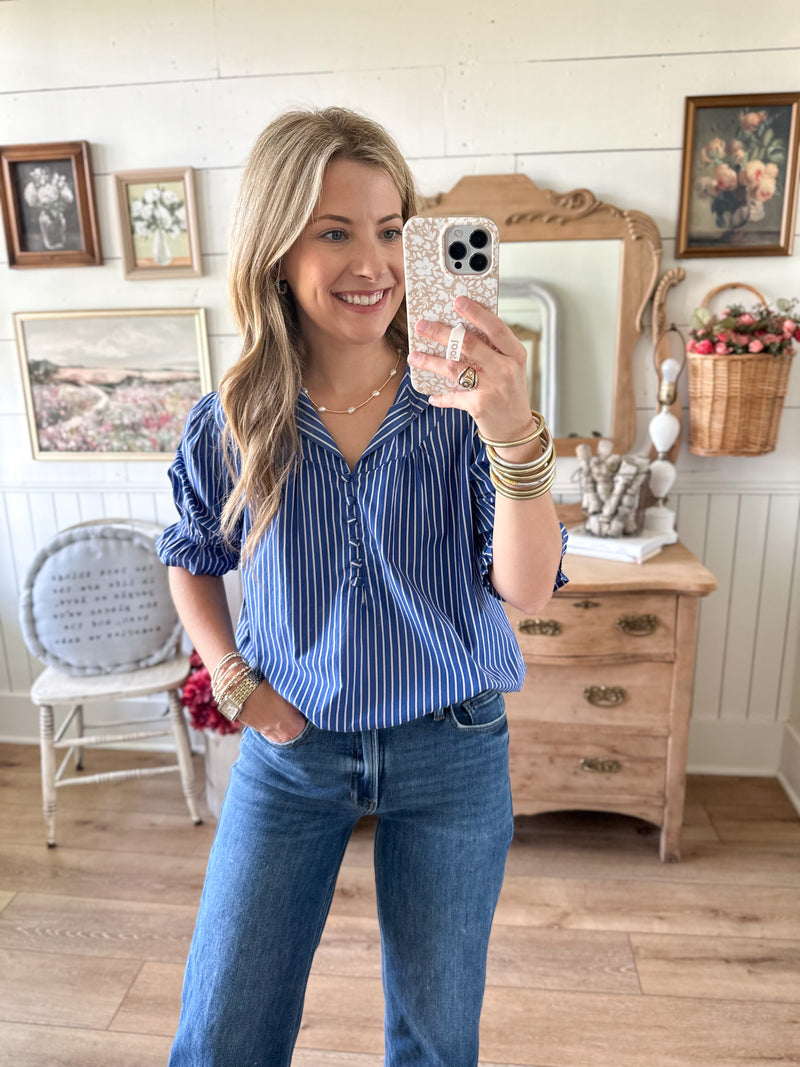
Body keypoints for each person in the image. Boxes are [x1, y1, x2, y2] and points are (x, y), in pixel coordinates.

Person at [158, 105, 567, 1067]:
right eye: (334, 232)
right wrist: (232, 679)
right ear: (275, 250)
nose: (373, 263)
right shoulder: (234, 415)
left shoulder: (463, 404)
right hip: (292, 748)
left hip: (452, 746)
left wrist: (513, 431)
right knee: (222, 1031)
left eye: (391, 230)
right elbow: (191, 554)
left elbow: (527, 589)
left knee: (436, 1038)